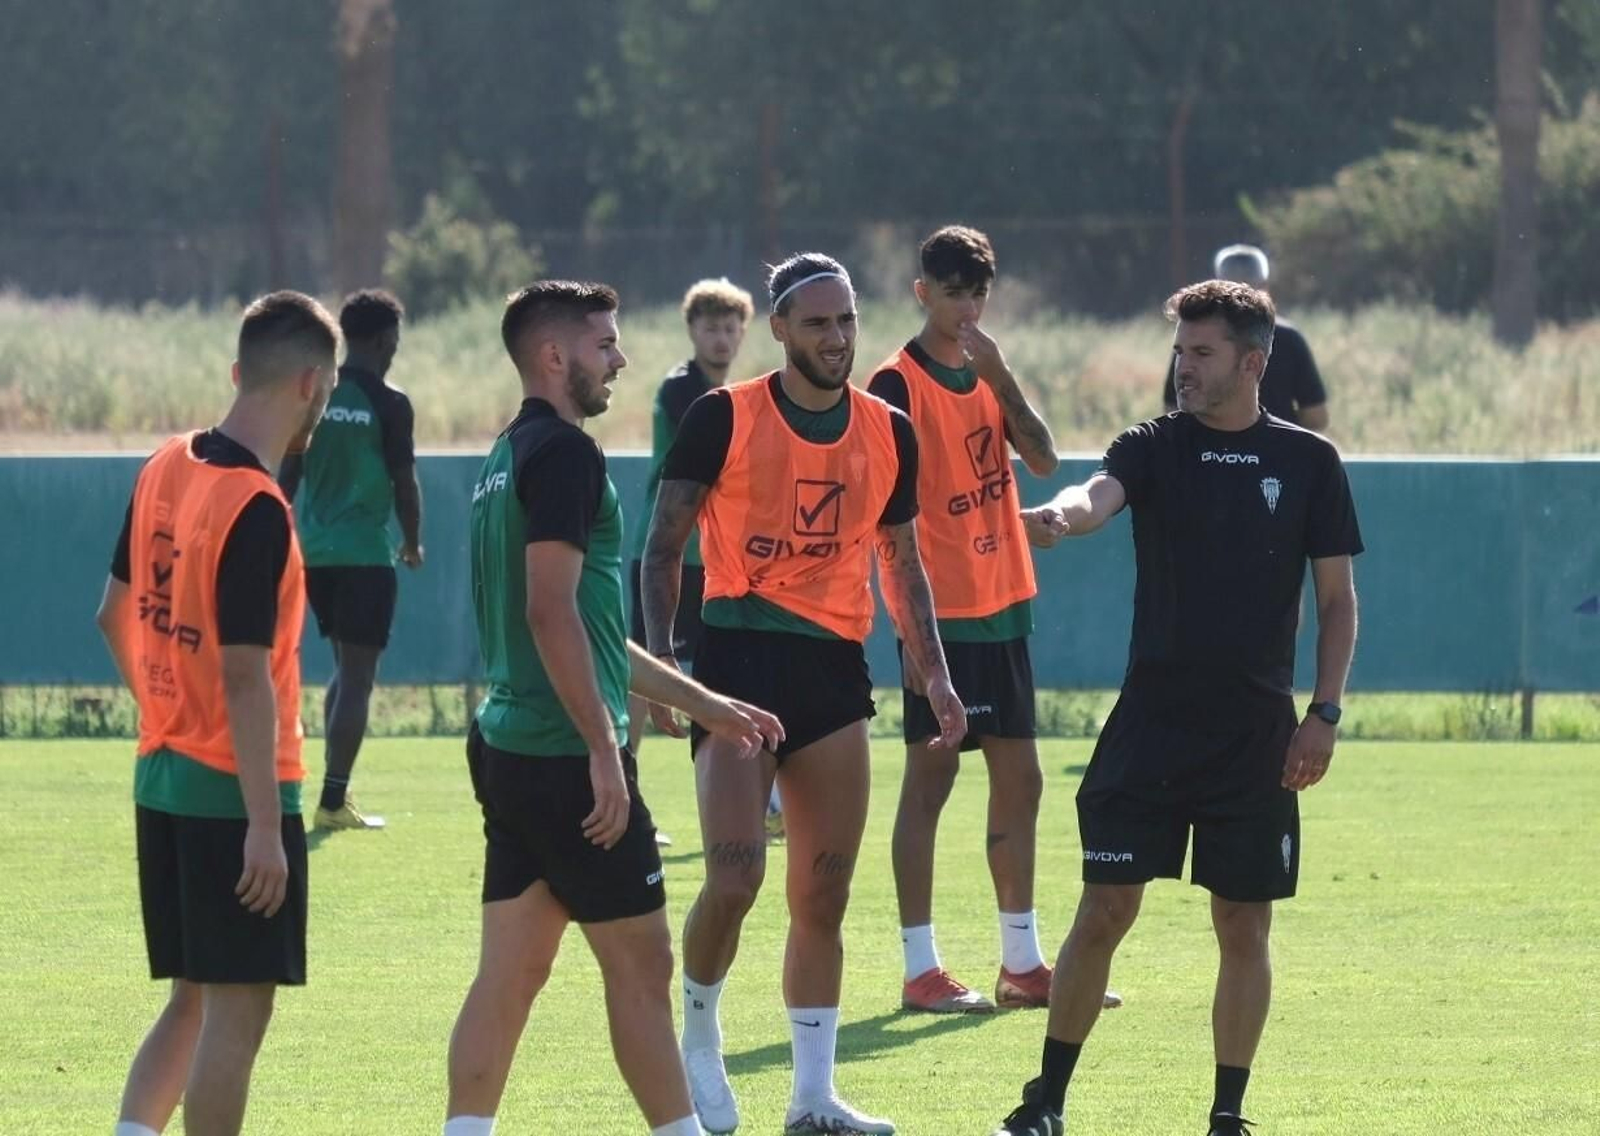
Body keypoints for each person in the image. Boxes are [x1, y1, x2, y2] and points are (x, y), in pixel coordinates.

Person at [992, 279, 1362, 1136]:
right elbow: (1097, 496)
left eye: (1202, 353)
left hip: (1258, 735)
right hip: (1151, 726)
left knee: (1242, 923)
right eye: (1179, 352)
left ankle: (1228, 1113)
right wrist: (1058, 515)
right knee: (1106, 908)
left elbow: (1338, 600)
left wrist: (1326, 711)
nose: (1184, 368)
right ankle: (1045, 1102)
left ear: (1253, 362)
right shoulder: (1153, 446)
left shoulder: (1311, 462)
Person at [443, 280, 784, 1136]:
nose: (620, 359)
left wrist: (705, 700)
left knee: (510, 975)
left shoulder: (503, 457)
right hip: (566, 755)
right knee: (642, 964)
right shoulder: (565, 454)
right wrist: (604, 749)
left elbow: (589, 632)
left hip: (511, 747)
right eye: (603, 344)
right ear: (554, 357)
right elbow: (549, 611)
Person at [642, 253, 967, 1136]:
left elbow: (901, 562)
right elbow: (663, 548)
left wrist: (933, 674)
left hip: (831, 673)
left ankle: (812, 1098)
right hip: (736, 664)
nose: (837, 337)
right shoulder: (723, 417)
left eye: (847, 320)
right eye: (817, 322)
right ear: (778, 329)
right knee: (737, 878)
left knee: (823, 893)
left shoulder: (888, 429)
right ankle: (698, 1045)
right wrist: (669, 671)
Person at [95, 291, 341, 1136]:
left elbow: (111, 613)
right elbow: (243, 678)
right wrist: (267, 827)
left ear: (242, 372)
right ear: (312, 383)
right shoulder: (257, 507)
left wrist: (167, 707)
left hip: (160, 771)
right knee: (237, 1013)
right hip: (232, 792)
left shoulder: (165, 462)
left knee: (193, 999)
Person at [866, 225, 1122, 1015]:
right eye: (953, 293)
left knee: (1023, 779)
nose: (968, 307)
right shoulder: (895, 383)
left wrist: (1004, 378)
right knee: (930, 783)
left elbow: (1042, 459)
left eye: (978, 292)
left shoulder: (988, 371)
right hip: (940, 617)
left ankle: (1021, 965)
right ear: (923, 295)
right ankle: (921, 968)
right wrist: (911, 633)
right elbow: (884, 517)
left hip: (1004, 603)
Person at [279, 288, 423, 830]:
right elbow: (404, 482)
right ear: (387, 340)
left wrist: (276, 532)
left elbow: (288, 476)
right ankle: (333, 799)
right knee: (359, 677)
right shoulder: (389, 402)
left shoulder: (312, 394)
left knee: (344, 668)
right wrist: (412, 541)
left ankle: (334, 788)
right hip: (365, 553)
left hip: (314, 555)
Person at [625, 277, 759, 846]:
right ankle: (622, 796)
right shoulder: (686, 391)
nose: (722, 338)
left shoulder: (732, 392)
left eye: (731, 328)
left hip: (717, 555)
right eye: (711, 327)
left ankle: (760, 798)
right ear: (692, 331)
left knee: (726, 670)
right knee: (640, 680)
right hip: (670, 551)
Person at [1161, 245, 1329, 432]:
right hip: (1279, 456)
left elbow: (1172, 407)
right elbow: (1316, 416)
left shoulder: (1195, 338)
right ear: (1264, 286)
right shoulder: (1290, 338)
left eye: (1203, 353)